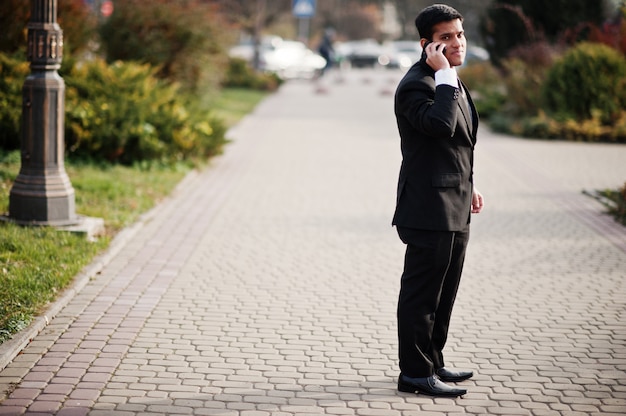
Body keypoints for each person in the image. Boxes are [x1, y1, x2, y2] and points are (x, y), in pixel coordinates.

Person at [392, 4, 484, 397]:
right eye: (446, 37)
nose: (456, 42)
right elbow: (440, 126)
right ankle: (414, 374)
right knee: (422, 295)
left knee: (444, 293)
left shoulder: (450, 81)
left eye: (459, 34)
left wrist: (471, 184)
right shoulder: (419, 84)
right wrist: (444, 74)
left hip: (456, 203)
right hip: (428, 209)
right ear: (426, 44)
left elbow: (459, 145)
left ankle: (434, 362)